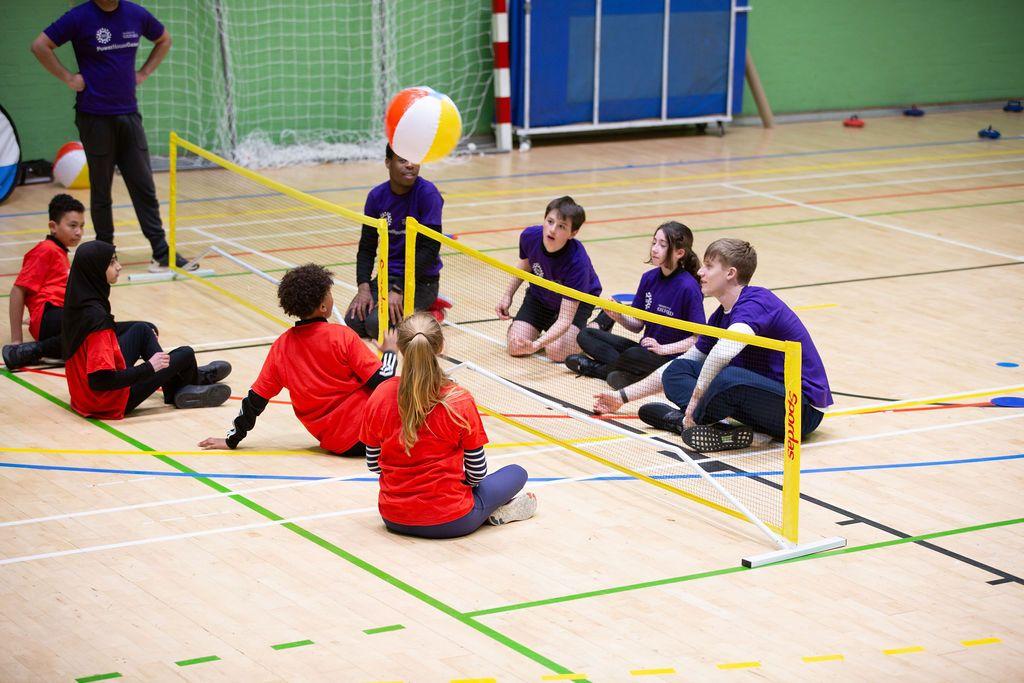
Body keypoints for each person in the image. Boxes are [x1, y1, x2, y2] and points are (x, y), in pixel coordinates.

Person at [594, 238, 833, 453]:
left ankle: (692, 421)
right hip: (757, 399)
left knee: (727, 375)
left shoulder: (757, 302)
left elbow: (723, 352)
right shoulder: (720, 316)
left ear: (730, 273)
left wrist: (695, 401)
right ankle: (722, 430)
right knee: (678, 370)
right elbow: (686, 362)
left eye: (708, 266)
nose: (699, 271)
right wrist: (622, 397)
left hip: (798, 411)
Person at [31, 0, 197, 273]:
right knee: (101, 189)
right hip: (94, 116)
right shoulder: (79, 16)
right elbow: (40, 45)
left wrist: (144, 72)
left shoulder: (135, 13)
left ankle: (161, 252)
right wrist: (68, 78)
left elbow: (164, 39)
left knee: (143, 185)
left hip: (128, 115)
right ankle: (105, 254)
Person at [360, 313, 537, 539]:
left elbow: (374, 465)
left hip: (394, 517)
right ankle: (490, 513)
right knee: (517, 473)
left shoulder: (380, 394)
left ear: (402, 349)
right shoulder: (458, 400)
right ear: (441, 346)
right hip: (453, 521)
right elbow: (477, 473)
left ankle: (488, 513)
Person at [199, 264, 398, 456]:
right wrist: (390, 352)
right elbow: (384, 382)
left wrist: (232, 438)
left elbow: (255, 400)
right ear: (322, 306)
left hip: (338, 445)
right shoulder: (341, 336)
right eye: (329, 293)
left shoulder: (281, 347)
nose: (331, 297)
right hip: (372, 434)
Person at [62, 240, 231, 419]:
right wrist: (149, 368)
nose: (119, 266)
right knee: (186, 353)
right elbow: (101, 381)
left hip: (81, 396)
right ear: (94, 270)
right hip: (106, 402)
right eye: (111, 263)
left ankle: (184, 381)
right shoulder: (97, 320)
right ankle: (191, 381)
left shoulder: (78, 302)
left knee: (141, 330)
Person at [565, 221, 705, 389]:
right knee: (586, 334)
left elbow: (698, 338)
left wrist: (663, 349)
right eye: (654, 242)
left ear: (679, 252)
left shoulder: (688, 287)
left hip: (670, 357)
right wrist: (617, 316)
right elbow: (638, 325)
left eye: (662, 245)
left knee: (633, 355)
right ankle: (634, 375)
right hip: (644, 350)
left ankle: (596, 369)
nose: (654, 249)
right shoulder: (649, 278)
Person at [344, 144, 449, 339]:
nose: (410, 165)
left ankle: (430, 311)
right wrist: (364, 287)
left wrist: (399, 289)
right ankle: (413, 311)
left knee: (377, 327)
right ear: (388, 163)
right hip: (385, 278)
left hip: (420, 281)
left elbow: (430, 249)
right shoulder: (376, 197)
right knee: (352, 323)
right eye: (402, 160)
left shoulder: (428, 194)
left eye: (414, 160)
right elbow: (367, 247)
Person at [496, 196, 602, 362]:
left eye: (561, 226)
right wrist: (507, 295)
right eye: (550, 221)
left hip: (576, 305)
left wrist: (536, 345)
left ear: (572, 233)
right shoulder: (530, 236)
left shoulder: (577, 262)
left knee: (556, 352)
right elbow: (525, 265)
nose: (552, 230)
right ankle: (548, 329)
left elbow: (565, 319)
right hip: (540, 298)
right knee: (515, 346)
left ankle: (597, 326)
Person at [4, 195, 84, 369]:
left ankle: (52, 350)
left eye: (81, 226)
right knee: (90, 322)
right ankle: (26, 351)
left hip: (58, 315)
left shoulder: (60, 252)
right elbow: (18, 291)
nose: (79, 232)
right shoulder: (45, 250)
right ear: (53, 226)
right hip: (51, 315)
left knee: (97, 328)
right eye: (72, 225)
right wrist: (16, 339)